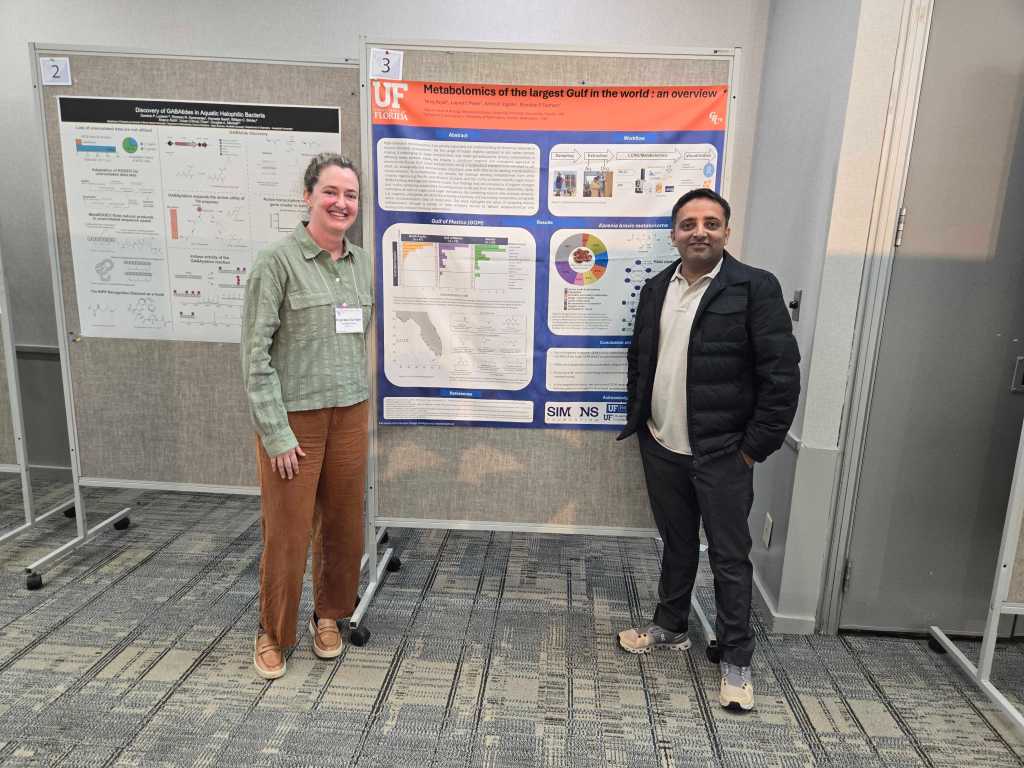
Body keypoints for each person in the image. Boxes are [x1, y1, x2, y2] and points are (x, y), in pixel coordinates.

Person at [616, 188, 799, 711]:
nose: (700, 231)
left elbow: (781, 377)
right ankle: (671, 625)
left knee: (728, 556)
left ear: (726, 232)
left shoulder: (754, 287)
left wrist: (751, 450)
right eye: (689, 223)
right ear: (674, 233)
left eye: (711, 223)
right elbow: (640, 359)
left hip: (724, 452)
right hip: (662, 444)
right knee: (676, 543)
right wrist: (644, 423)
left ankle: (737, 658)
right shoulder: (657, 288)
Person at [241, 153, 372, 679]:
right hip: (295, 421)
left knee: (343, 526)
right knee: (288, 532)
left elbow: (355, 339)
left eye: (350, 195)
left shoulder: (361, 263)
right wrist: (275, 433)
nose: (342, 203)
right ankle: (272, 632)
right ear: (308, 197)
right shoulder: (276, 263)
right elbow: (255, 357)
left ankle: (329, 615)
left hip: (350, 413)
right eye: (331, 192)